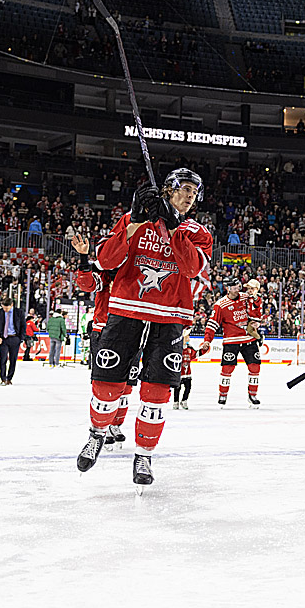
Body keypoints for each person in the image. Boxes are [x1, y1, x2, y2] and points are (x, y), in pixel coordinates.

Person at [75, 168, 213, 491]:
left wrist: (175, 227)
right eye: (184, 189)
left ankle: (144, 455)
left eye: (194, 193)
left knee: (157, 392)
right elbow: (107, 261)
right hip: (126, 310)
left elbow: (191, 268)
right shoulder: (135, 219)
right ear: (166, 190)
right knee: (107, 383)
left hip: (170, 318)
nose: (189, 196)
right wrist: (136, 218)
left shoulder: (197, 232)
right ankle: (96, 436)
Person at [72, 232, 135, 451]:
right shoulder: (104, 275)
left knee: (127, 387)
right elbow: (87, 284)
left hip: (132, 334)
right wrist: (83, 259)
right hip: (104, 332)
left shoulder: (135, 276)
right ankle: (101, 427)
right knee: (105, 385)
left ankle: (116, 425)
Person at [198, 278, 264, 408]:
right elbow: (212, 324)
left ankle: (253, 395)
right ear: (228, 288)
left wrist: (258, 320)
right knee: (227, 368)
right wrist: (207, 340)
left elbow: (257, 309)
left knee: (255, 366)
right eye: (234, 287)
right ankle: (223, 395)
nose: (237, 289)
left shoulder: (246, 297)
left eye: (238, 286)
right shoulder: (220, 305)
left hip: (248, 338)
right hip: (231, 340)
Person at [0, 295, 25, 385]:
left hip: (15, 338)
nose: (5, 310)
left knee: (13, 360)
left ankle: (9, 378)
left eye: (7, 308)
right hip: (3, 339)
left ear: (11, 305)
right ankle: (3, 378)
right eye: (3, 307)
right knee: (2, 359)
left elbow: (23, 326)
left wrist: (20, 338)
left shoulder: (19, 312)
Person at [173, 330, 196, 410]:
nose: (188, 338)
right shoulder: (177, 348)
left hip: (188, 373)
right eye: (187, 336)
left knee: (188, 387)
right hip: (179, 373)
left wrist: (204, 349)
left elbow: (196, 354)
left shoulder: (189, 349)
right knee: (177, 388)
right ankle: (175, 402)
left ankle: (184, 400)